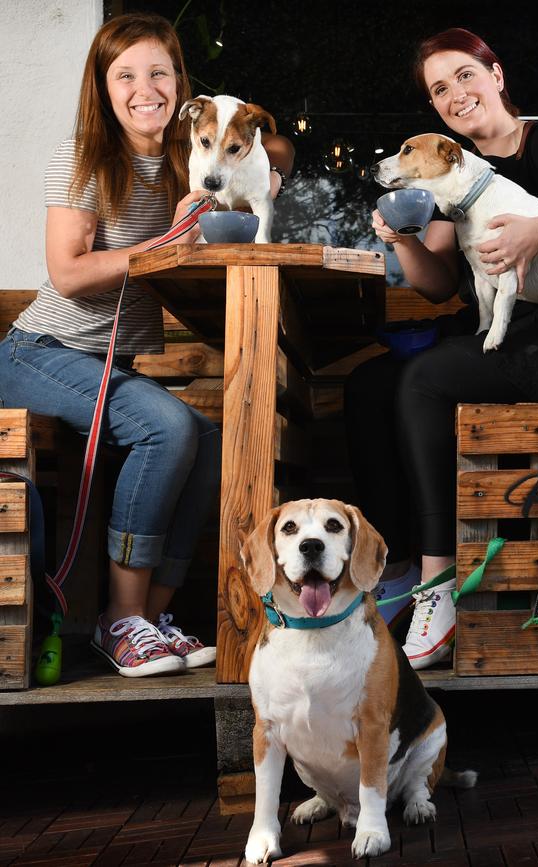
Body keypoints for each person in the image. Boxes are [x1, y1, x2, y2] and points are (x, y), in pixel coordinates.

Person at [345, 27, 538, 670]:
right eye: (438, 89)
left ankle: (439, 582)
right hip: (494, 327)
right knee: (366, 386)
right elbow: (433, 286)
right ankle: (396, 568)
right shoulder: (450, 171)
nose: (455, 94)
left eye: (464, 75)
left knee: (423, 379)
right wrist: (401, 239)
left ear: (497, 75)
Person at [0, 13, 294, 677]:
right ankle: (119, 619)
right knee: (166, 428)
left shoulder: (189, 161)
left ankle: (152, 617)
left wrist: (262, 180)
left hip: (109, 366)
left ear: (180, 85)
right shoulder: (82, 155)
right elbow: (69, 272)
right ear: (103, 88)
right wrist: (161, 246)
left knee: (209, 440)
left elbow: (245, 199)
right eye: (125, 74)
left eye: (159, 71)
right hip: (39, 352)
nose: (145, 87)